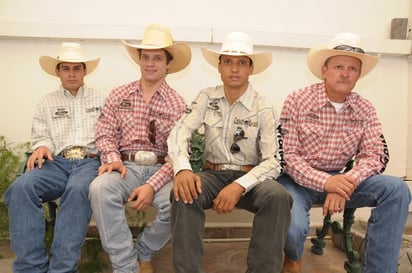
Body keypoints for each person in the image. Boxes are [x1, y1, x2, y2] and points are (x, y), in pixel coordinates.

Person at [278, 32, 411, 273]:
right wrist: (329, 183)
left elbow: (375, 155)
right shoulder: (297, 100)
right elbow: (288, 157)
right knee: (292, 229)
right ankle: (292, 257)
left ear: (359, 75)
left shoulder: (365, 108)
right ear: (324, 70)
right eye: (338, 66)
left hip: (342, 179)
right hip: (296, 181)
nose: (345, 73)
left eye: (352, 68)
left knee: (397, 190)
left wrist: (344, 183)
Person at [167, 31, 293, 273]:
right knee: (183, 192)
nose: (234, 69)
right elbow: (179, 132)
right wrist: (182, 169)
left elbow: (274, 161)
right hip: (212, 174)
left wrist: (239, 186)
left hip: (250, 180)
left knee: (278, 197)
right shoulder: (206, 96)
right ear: (219, 67)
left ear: (251, 69)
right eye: (228, 62)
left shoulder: (263, 107)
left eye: (241, 63)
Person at [88, 23, 190, 273]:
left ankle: (144, 251)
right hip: (125, 167)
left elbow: (178, 153)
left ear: (168, 64)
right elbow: (104, 132)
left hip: (161, 171)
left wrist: (150, 186)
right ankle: (125, 265)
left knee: (181, 202)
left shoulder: (178, 103)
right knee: (100, 188)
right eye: (145, 57)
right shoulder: (118, 94)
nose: (150, 63)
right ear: (139, 60)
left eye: (157, 58)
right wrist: (113, 159)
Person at [3, 42, 105, 273]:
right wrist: (40, 146)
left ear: (84, 71)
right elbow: (41, 136)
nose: (71, 73)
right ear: (58, 71)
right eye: (66, 68)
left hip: (90, 161)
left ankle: (63, 268)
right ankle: (32, 267)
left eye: (76, 68)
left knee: (78, 189)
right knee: (21, 187)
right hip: (56, 162)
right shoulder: (45, 102)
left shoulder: (102, 99)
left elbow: (111, 134)